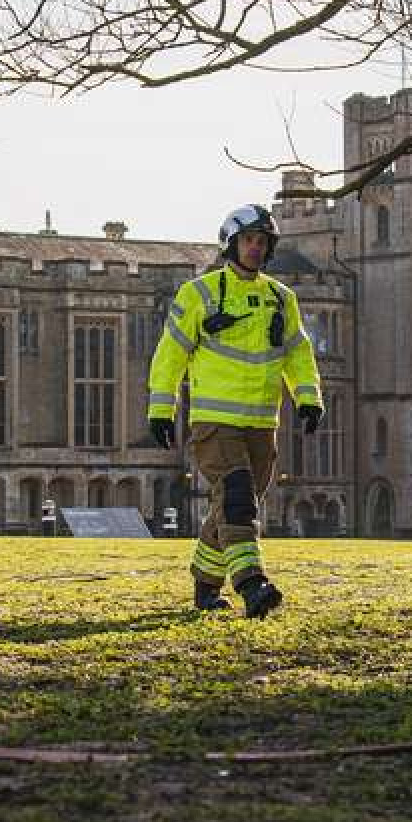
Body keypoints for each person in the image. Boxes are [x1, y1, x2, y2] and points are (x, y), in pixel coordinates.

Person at [147, 204, 324, 619]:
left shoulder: (282, 299)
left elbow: (298, 352)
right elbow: (170, 353)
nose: (255, 249)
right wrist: (161, 407)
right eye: (248, 240)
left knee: (230, 507)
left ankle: (206, 588)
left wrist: (309, 397)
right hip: (214, 423)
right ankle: (252, 583)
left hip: (262, 424)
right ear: (231, 243)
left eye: (263, 242)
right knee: (239, 499)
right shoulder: (199, 294)